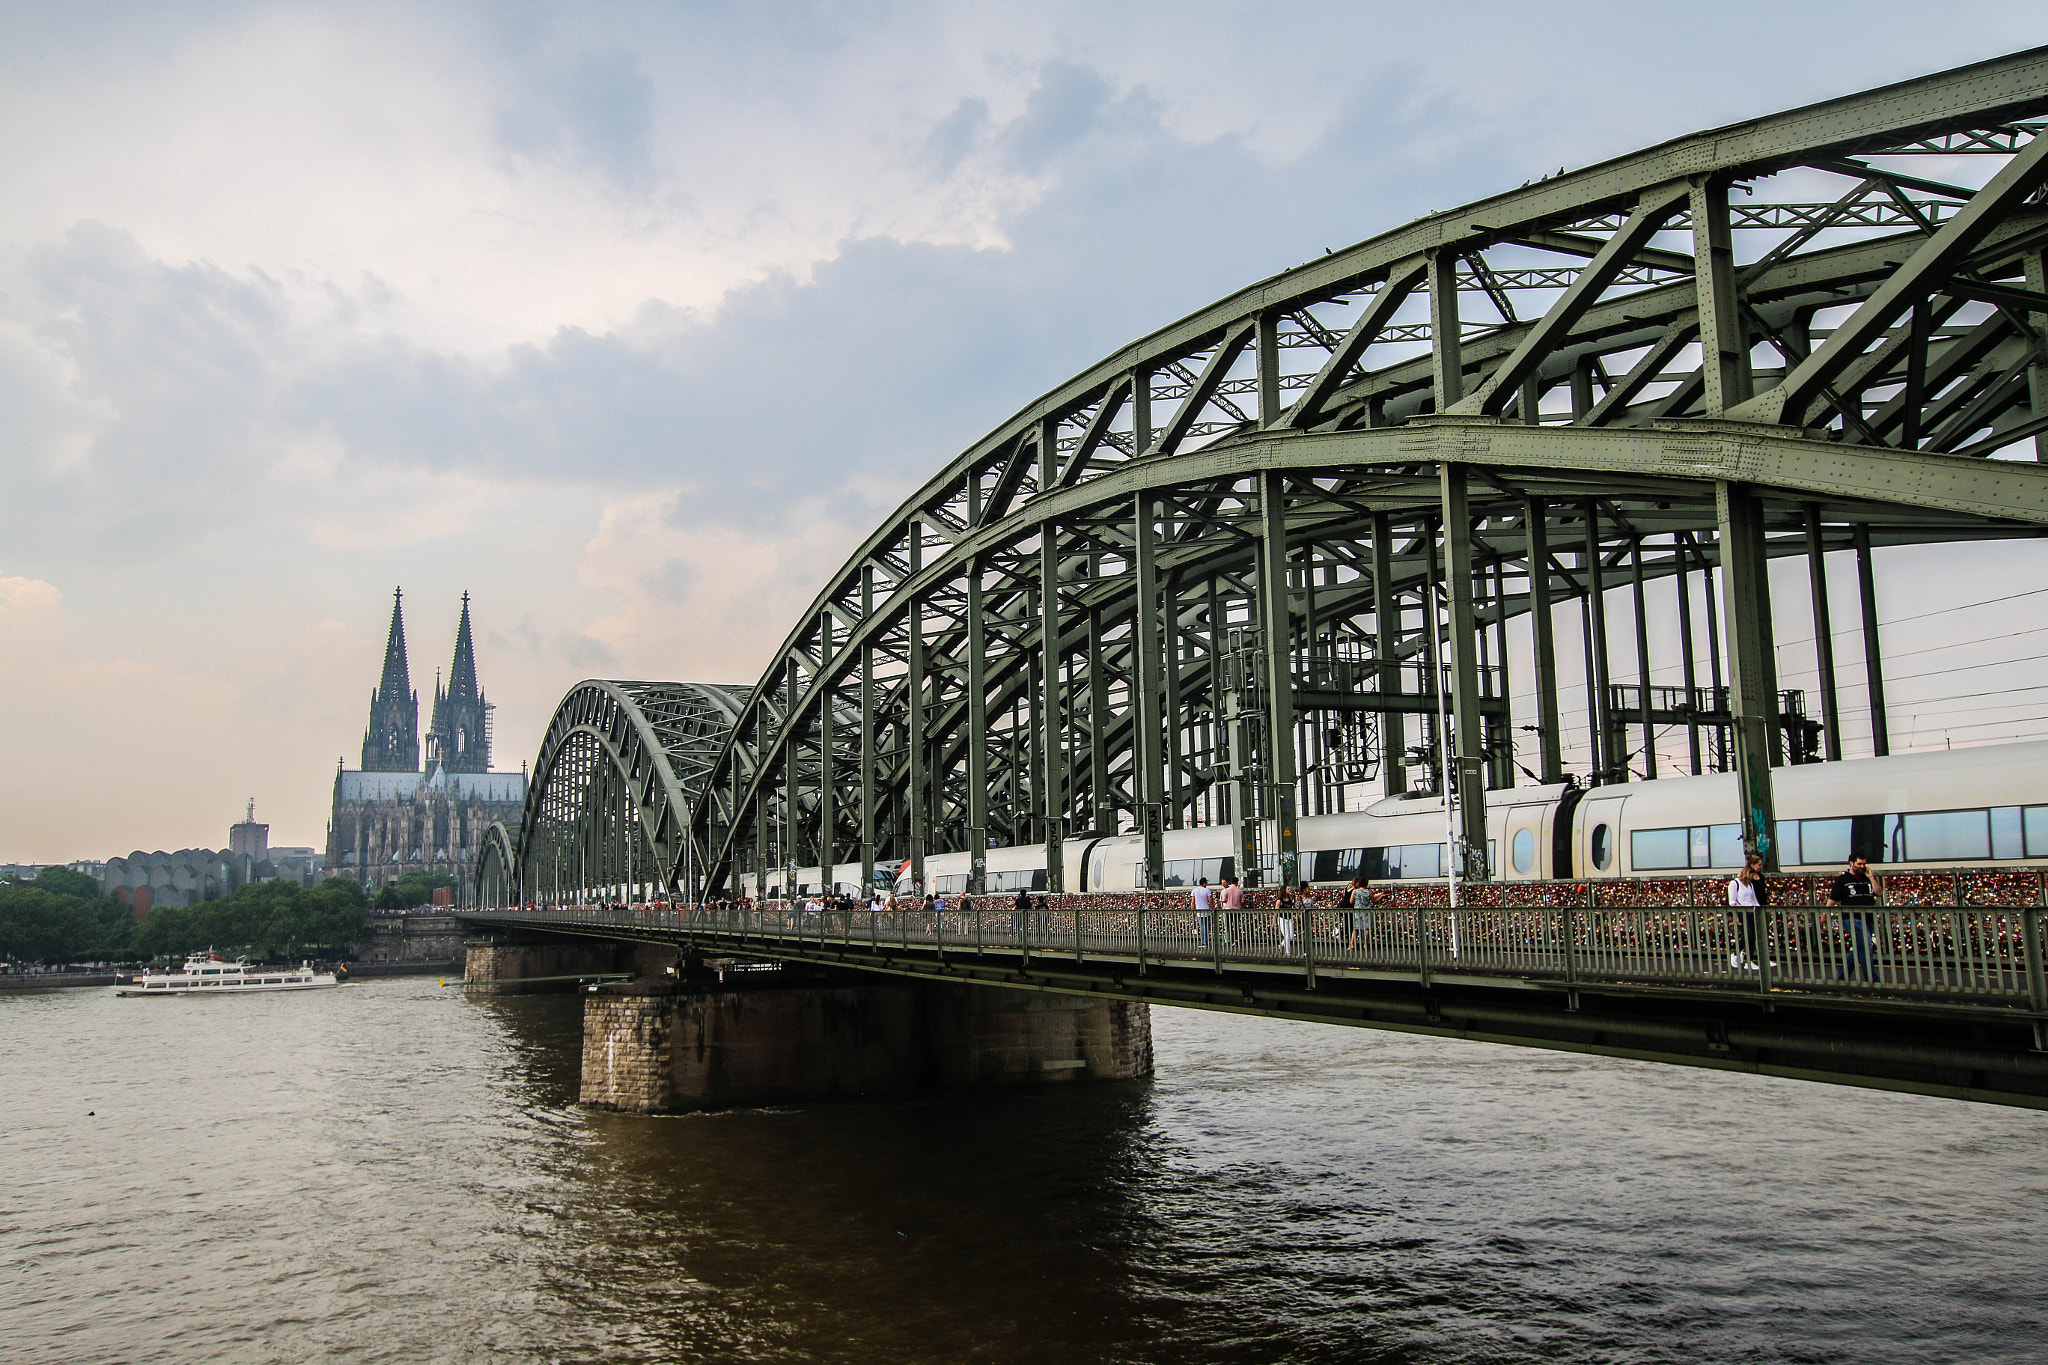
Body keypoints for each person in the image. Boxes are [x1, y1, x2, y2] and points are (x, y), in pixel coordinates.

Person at [1829, 853, 1878, 981]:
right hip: (1852, 917)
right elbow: (1833, 898)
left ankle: (1841, 976)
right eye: (1859, 864)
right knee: (1866, 946)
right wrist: (1825, 914)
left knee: (1860, 947)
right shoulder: (1843, 879)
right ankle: (1872, 979)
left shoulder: (1866, 878)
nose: (1862, 866)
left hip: (1868, 916)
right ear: (1851, 863)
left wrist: (1872, 878)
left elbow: (1878, 892)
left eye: (1864, 864)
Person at [1726, 852, 1769, 970]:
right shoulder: (1734, 884)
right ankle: (1736, 954)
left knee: (1752, 936)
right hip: (1742, 912)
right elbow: (1732, 901)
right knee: (1748, 935)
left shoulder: (1749, 885)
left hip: (1751, 911)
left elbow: (1754, 900)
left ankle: (1748, 960)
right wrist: (1736, 917)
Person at [1345, 877, 1374, 952]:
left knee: (1356, 929)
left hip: (1358, 911)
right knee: (1367, 928)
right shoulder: (1369, 892)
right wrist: (1380, 896)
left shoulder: (1355, 891)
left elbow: (1351, 901)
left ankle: (1352, 945)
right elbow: (1374, 900)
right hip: (1367, 911)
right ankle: (1365, 944)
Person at [1275, 880, 1298, 957]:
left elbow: (1291, 906)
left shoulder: (1290, 899)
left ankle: (1280, 946)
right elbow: (1276, 911)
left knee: (1291, 936)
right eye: (1288, 889)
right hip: (1282, 919)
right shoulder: (1279, 900)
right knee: (1287, 936)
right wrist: (1274, 922)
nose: (1289, 890)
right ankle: (1288, 953)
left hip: (1289, 918)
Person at [1191, 877, 1214, 948]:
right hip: (1206, 910)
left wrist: (1193, 911)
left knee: (1202, 926)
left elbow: (1193, 902)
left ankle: (1204, 941)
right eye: (1206, 883)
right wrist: (1212, 908)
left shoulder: (1194, 891)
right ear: (1204, 883)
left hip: (1199, 911)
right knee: (1206, 926)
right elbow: (1210, 901)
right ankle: (1205, 941)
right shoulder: (1207, 890)